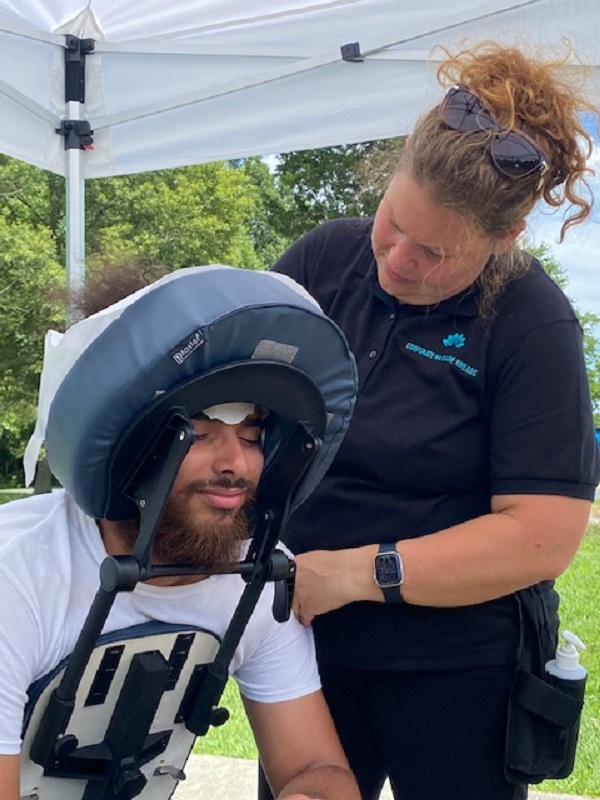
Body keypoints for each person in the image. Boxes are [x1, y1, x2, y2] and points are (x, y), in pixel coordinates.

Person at [257, 41, 600, 800]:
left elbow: (542, 537)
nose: (397, 260)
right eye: (392, 223)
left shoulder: (532, 323)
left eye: (436, 252)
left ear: (505, 237)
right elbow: (232, 398)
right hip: (306, 646)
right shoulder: (324, 260)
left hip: (458, 664)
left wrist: (355, 572)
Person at [0, 267, 361, 800]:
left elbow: (315, 766)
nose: (236, 464)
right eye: (200, 434)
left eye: (252, 435)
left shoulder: (256, 577)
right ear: (128, 446)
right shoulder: (20, 575)